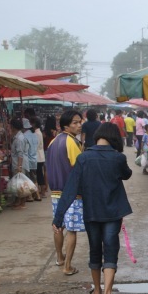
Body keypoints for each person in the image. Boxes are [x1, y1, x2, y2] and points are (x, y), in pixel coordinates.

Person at [53, 122, 132, 294]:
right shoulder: (118, 157)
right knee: (111, 250)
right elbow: (127, 174)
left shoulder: (84, 158)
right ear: (114, 137)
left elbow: (70, 188)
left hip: (92, 212)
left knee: (95, 249)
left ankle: (97, 291)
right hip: (113, 212)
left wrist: (58, 216)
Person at [47, 110, 84, 276]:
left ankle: (60, 257)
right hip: (71, 194)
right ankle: (67, 265)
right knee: (71, 230)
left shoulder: (53, 142)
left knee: (58, 226)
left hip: (55, 191)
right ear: (66, 125)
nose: (79, 125)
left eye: (79, 122)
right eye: (75, 122)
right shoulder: (71, 142)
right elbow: (79, 169)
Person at [9, 117, 32, 209]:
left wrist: (19, 166)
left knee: (21, 184)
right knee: (17, 184)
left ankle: (22, 203)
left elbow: (20, 153)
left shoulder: (19, 138)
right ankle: (17, 201)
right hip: (17, 163)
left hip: (20, 164)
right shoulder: (17, 137)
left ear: (13, 127)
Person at [31, 116, 47, 199]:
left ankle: (42, 191)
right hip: (40, 155)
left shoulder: (37, 133)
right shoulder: (39, 132)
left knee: (39, 174)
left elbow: (36, 145)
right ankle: (42, 190)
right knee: (40, 174)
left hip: (38, 156)